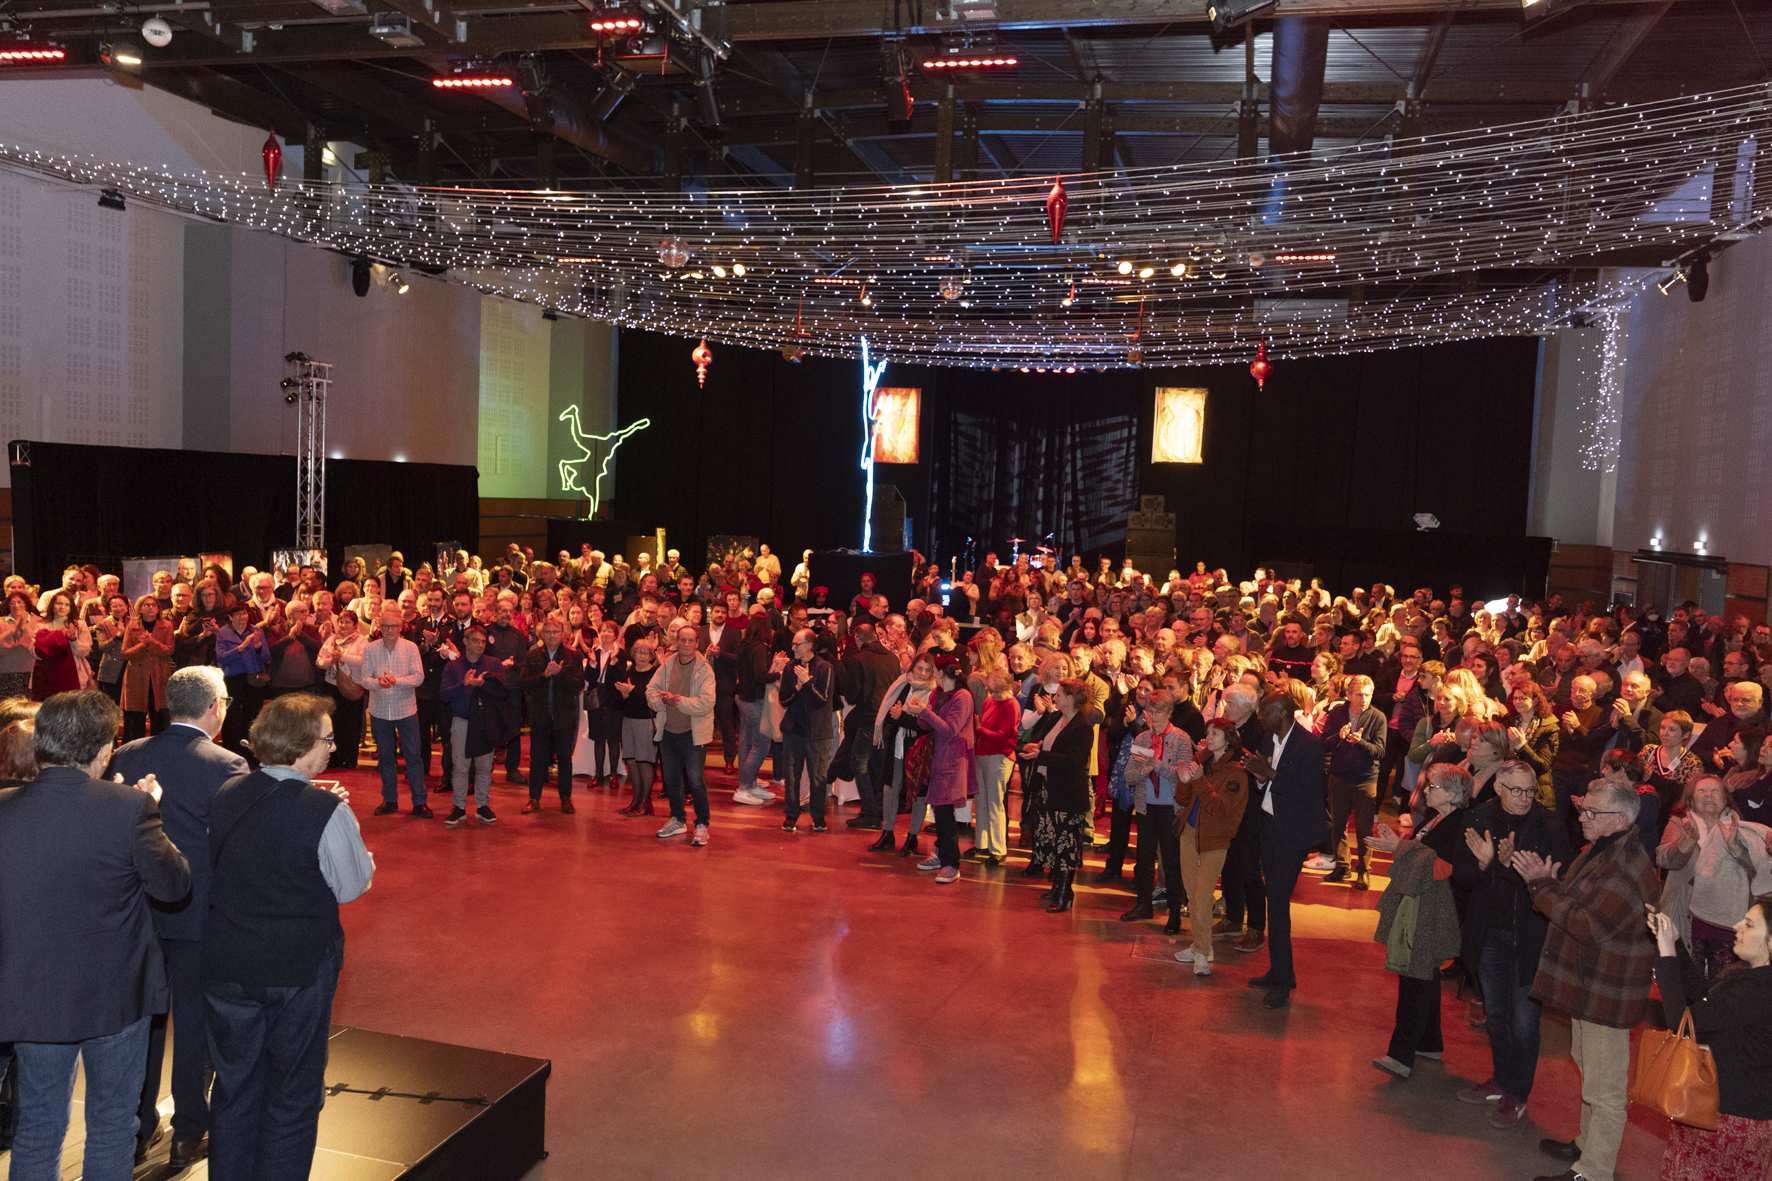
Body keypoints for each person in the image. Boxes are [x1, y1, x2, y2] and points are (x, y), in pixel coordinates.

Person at [0, 689, 190, 1181]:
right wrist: (150, 812)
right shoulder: (131, 807)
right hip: (116, 994)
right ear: (105, 750)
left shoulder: (3, 808)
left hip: (32, 992)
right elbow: (172, 886)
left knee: (37, 1128)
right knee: (112, 1126)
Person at [202, 693, 374, 1181]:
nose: (332, 748)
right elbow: (351, 886)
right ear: (301, 746)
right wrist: (353, 841)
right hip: (298, 970)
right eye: (327, 739)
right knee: (293, 1095)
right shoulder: (326, 810)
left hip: (227, 963)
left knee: (233, 1088)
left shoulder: (227, 793)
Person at [108, 666, 248, 1171]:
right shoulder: (227, 763)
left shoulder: (127, 754)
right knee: (194, 1021)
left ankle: (137, 1128)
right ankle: (190, 1131)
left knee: (142, 1021)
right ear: (214, 707)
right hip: (197, 910)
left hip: (139, 910)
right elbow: (236, 846)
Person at [1514, 779, 1660, 1181]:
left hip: (1606, 992)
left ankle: (1595, 1171)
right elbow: (1577, 903)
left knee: (1605, 1089)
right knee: (1588, 1069)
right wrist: (1550, 885)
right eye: (1583, 809)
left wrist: (1541, 887)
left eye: (1592, 812)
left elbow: (1587, 925)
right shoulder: (1603, 850)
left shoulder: (1626, 867)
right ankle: (1585, 1144)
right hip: (1589, 983)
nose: (1582, 818)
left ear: (1621, 819)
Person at [1454, 760, 1574, 1128]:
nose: (1524, 798)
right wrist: (1485, 865)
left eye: (1530, 791)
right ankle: (1502, 1081)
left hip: (1531, 938)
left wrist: (1503, 866)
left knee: (1524, 1022)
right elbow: (1463, 876)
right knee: (1496, 1016)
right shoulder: (1478, 818)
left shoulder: (1550, 826)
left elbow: (1556, 886)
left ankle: (1518, 1095)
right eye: (1516, 790)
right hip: (1489, 934)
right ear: (1499, 788)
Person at [1646, 896, 1772, 1181]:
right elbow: (1704, 995)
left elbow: (1681, 1023)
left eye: (1749, 925)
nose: (1736, 926)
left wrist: (1666, 955)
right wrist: (1675, 942)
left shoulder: (1757, 991)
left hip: (1729, 1121)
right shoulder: (1753, 979)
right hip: (1723, 1110)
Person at [1368, 763, 1470, 1080]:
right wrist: (1398, 843)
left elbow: (1442, 868)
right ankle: (1429, 1042)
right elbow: (1419, 851)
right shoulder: (1434, 818)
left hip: (1435, 908)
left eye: (1432, 786)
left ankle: (1401, 1056)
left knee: (1414, 976)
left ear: (1452, 794)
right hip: (1423, 904)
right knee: (1424, 974)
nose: (1425, 790)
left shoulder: (1459, 824)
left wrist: (1400, 847)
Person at [1238, 690, 1329, 1009]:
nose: (1260, 717)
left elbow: (1309, 793)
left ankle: (1281, 980)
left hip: (1293, 833)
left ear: (1284, 714)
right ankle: (1281, 972)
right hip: (1269, 826)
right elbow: (1264, 785)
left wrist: (1270, 775)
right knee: (1274, 902)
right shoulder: (1267, 740)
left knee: (1276, 902)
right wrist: (1259, 777)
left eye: (1266, 712)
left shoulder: (1308, 745)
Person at [1657, 774, 1772, 980]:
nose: (1708, 794)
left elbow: (1757, 871)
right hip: (1686, 915)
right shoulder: (1679, 824)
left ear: (1726, 799)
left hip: (1728, 922)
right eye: (1701, 791)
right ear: (1691, 799)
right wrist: (1688, 841)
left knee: (1723, 984)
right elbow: (1664, 860)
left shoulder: (1740, 827)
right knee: (1689, 984)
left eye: (1715, 790)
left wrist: (1735, 847)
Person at [1172, 716, 1251, 972]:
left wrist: (1197, 780)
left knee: (1203, 898)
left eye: (1215, 734)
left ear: (1229, 740)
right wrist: (1184, 781)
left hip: (1215, 840)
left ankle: (1203, 953)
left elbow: (1218, 807)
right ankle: (1200, 946)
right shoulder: (1201, 762)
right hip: (1189, 833)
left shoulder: (1236, 773)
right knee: (1193, 898)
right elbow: (1183, 800)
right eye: (1208, 733)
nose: (1209, 737)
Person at [1119, 689, 1196, 931]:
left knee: (1171, 862)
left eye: (1159, 711)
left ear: (1170, 712)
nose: (1153, 716)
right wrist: (1144, 770)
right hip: (1146, 806)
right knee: (1144, 858)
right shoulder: (1143, 739)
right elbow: (1129, 776)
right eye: (1150, 711)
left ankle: (1174, 911)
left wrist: (1158, 766)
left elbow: (1184, 778)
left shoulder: (1181, 739)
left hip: (1171, 808)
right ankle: (1143, 904)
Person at [1020, 679, 1098, 913]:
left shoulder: (1083, 726)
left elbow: (1073, 760)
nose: (1054, 698)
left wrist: (1040, 757)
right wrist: (1036, 748)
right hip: (1050, 789)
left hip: (1069, 794)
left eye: (1059, 695)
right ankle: (1057, 887)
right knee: (1053, 840)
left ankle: (1065, 891)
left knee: (1066, 844)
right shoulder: (1057, 718)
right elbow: (1047, 743)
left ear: (1071, 699)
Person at [905, 653, 975, 882]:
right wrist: (920, 712)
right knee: (939, 809)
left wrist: (924, 712)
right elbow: (927, 724)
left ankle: (951, 864)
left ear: (942, 673)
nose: (931, 673)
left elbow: (951, 729)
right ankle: (941, 854)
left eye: (934, 670)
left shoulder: (963, 697)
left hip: (953, 760)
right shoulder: (939, 692)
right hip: (938, 758)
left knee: (944, 812)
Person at [647, 624, 716, 847]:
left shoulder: (705, 669)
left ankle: (702, 824)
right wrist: (662, 701)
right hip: (668, 732)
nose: (686, 644)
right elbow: (651, 690)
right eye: (682, 640)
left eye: (690, 640)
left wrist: (677, 702)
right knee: (672, 780)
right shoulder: (667, 664)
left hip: (692, 735)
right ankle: (677, 820)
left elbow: (706, 703)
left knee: (696, 782)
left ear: (697, 643)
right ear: (677, 642)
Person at [867, 653, 939, 856]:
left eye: (927, 670)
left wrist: (902, 717)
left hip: (918, 749)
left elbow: (927, 724)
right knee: (890, 788)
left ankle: (912, 837)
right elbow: (891, 715)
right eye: (919, 668)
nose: (922, 673)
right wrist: (895, 715)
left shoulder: (933, 691)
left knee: (917, 793)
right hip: (897, 745)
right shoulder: (902, 684)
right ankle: (887, 834)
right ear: (912, 667)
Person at [361, 605, 430, 818]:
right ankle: (390, 800)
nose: (390, 630)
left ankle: (419, 802)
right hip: (379, 711)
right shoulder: (370, 649)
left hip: (406, 710)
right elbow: (364, 679)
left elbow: (419, 677)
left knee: (413, 756)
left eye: (394, 626)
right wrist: (378, 683)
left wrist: (396, 680)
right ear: (380, 627)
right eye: (386, 626)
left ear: (401, 627)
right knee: (385, 757)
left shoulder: (411, 648)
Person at [439, 625, 511, 826]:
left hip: (485, 722)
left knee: (484, 767)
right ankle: (459, 807)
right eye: (475, 641)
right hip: (462, 721)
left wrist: (483, 684)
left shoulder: (493, 664)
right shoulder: (453, 666)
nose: (480, 645)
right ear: (465, 642)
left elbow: (503, 691)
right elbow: (444, 695)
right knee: (460, 767)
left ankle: (482, 805)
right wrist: (463, 685)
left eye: (482, 641)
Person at [1321, 673, 1387, 889]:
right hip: (1339, 777)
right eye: (1359, 695)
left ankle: (1364, 871)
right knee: (1338, 825)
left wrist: (1360, 742)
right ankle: (1342, 866)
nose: (1364, 699)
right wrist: (1338, 737)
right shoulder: (1336, 714)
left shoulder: (1378, 717)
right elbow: (1323, 743)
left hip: (1365, 780)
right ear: (1348, 695)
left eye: (1367, 695)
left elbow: (1380, 751)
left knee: (1364, 829)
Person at [519, 617, 586, 815]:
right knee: (537, 759)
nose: (552, 636)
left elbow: (578, 685)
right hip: (540, 716)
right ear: (542, 635)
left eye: (555, 632)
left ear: (563, 634)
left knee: (565, 760)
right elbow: (523, 683)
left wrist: (560, 674)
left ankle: (566, 799)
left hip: (563, 716)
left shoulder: (572, 656)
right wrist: (544, 676)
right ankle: (534, 799)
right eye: (548, 632)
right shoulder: (532, 655)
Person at [841, 622, 901, 832]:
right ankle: (881, 808)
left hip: (869, 717)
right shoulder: (892, 658)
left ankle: (869, 812)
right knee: (879, 764)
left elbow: (851, 696)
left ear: (858, 638)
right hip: (888, 718)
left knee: (859, 762)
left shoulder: (859, 660)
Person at [777, 627, 834, 834]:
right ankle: (791, 816)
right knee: (792, 776)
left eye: (796, 644)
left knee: (818, 777)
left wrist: (808, 683)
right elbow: (783, 699)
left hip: (818, 732)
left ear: (809, 645)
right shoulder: (790, 667)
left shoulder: (825, 667)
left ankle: (818, 817)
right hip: (793, 730)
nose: (792, 648)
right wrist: (798, 687)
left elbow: (822, 700)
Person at [972, 670, 1020, 864]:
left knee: (994, 804)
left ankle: (998, 849)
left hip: (1000, 756)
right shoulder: (988, 701)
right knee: (981, 802)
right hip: (983, 754)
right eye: (990, 689)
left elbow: (1003, 736)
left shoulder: (1011, 704)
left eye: (995, 689)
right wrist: (981, 731)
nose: (992, 693)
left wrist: (980, 730)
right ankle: (982, 844)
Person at [215, 602, 269, 761]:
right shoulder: (223, 632)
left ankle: (252, 756)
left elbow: (266, 657)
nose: (241, 617)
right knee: (231, 716)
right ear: (230, 617)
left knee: (253, 716)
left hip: (253, 678)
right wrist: (241, 647)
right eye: (237, 614)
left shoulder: (257, 631)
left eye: (244, 613)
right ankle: (231, 755)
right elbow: (221, 658)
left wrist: (258, 646)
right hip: (232, 678)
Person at [733, 614, 778, 806]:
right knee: (761, 744)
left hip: (742, 697)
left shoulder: (744, 646)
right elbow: (761, 676)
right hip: (753, 699)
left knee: (747, 742)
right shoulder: (760, 647)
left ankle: (749, 784)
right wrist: (779, 673)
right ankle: (744, 787)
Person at [614, 637, 660, 817]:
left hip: (646, 721)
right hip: (628, 720)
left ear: (651, 656)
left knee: (644, 762)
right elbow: (618, 703)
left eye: (646, 652)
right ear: (632, 654)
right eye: (638, 652)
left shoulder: (655, 674)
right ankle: (635, 800)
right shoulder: (628, 673)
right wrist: (625, 696)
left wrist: (632, 692)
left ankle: (646, 802)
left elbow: (652, 700)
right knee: (631, 761)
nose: (642, 655)